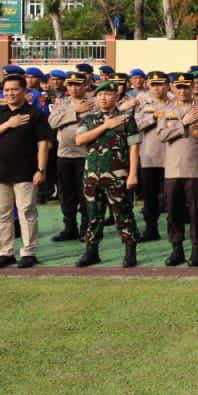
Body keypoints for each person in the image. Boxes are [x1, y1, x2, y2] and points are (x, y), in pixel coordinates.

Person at [0, 74, 52, 269]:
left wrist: (41, 169)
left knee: (27, 212)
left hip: (26, 173)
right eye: (7, 90)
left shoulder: (35, 114)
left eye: (15, 89)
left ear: (24, 91)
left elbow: (43, 144)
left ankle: (28, 252)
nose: (10, 93)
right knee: (3, 214)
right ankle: (5, 252)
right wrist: (8, 124)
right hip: (0, 173)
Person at [73, 81, 141, 269]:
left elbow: (134, 147)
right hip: (92, 175)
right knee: (92, 215)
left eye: (108, 94)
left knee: (123, 214)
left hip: (118, 175)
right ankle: (91, 251)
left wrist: (133, 174)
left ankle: (130, 250)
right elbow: (79, 140)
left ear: (116, 97)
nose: (103, 98)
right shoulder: (88, 119)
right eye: (99, 95)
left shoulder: (127, 119)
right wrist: (105, 126)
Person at [159, 73, 198, 268]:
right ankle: (176, 248)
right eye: (179, 87)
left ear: (193, 87)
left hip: (195, 168)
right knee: (173, 211)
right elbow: (162, 135)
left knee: (196, 210)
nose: (183, 91)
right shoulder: (165, 110)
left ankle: (197, 248)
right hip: (172, 170)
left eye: (187, 87)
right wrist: (182, 124)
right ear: (173, 88)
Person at [47, 74, 92, 242]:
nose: (74, 88)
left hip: (85, 154)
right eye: (71, 84)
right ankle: (70, 227)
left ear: (85, 85)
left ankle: (85, 228)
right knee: (66, 194)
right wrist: (74, 111)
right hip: (64, 154)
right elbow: (52, 122)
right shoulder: (62, 102)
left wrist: (67, 116)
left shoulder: (93, 102)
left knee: (85, 194)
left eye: (77, 84)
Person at [133, 71, 173, 241]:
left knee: (172, 196)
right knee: (149, 196)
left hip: (172, 156)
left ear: (167, 85)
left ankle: (174, 229)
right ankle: (151, 228)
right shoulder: (142, 102)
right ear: (148, 85)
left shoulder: (175, 101)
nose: (157, 88)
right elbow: (135, 126)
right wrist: (152, 118)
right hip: (149, 156)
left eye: (160, 84)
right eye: (153, 84)